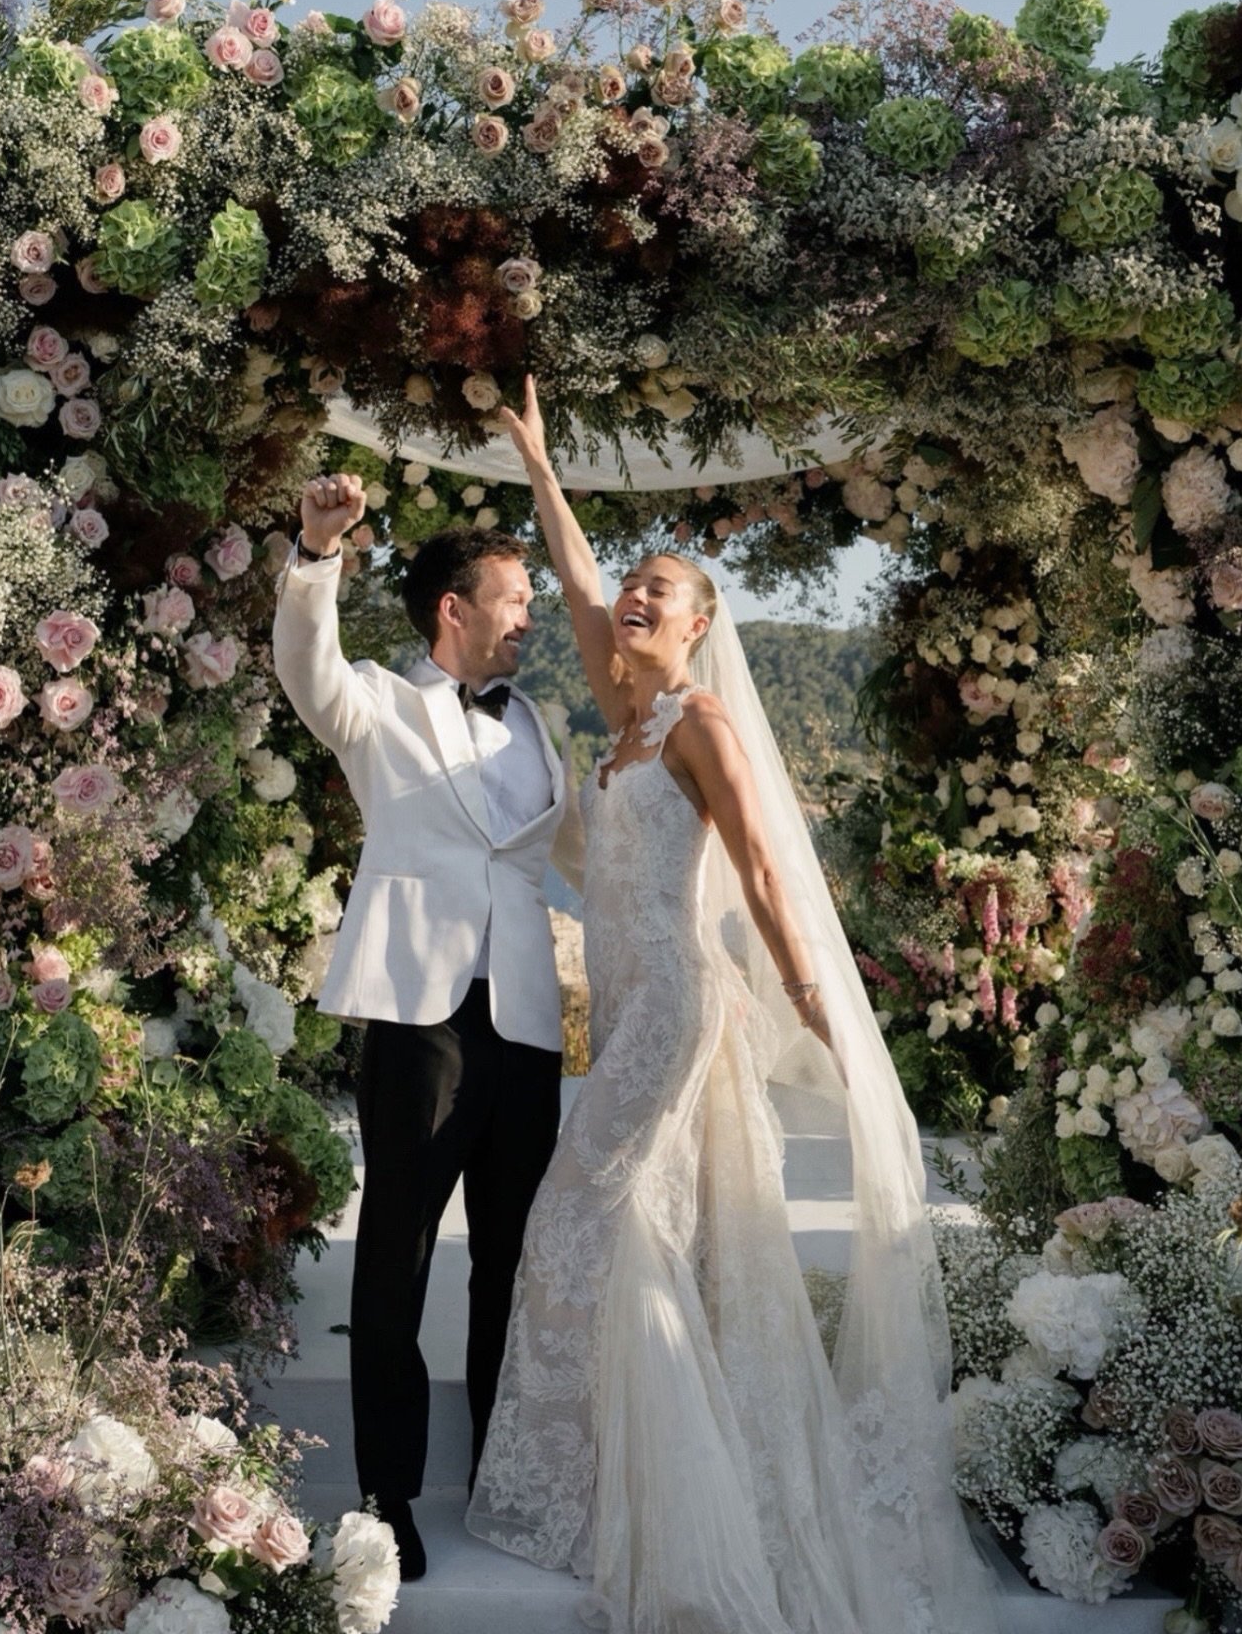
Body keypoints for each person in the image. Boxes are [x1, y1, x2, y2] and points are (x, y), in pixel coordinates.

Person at [466, 379, 996, 1634]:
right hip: (632, 1000)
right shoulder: (624, 714)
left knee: (594, 1211)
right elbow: (580, 578)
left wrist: (818, 1002)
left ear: (700, 629)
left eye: (663, 592)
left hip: (677, 1005)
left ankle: (661, 1503)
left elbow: (762, 871)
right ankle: (624, 1483)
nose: (632, 599)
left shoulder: (698, 725)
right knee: (640, 1225)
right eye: (634, 589)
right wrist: (542, 466)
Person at [273, 476, 569, 1581]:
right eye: (516, 597)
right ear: (455, 605)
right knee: (394, 1261)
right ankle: (386, 1490)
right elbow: (302, 662)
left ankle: (502, 1473)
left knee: (515, 1262)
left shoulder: (536, 722)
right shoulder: (374, 704)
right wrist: (315, 550)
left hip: (527, 1021)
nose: (530, 615)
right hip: (418, 1018)